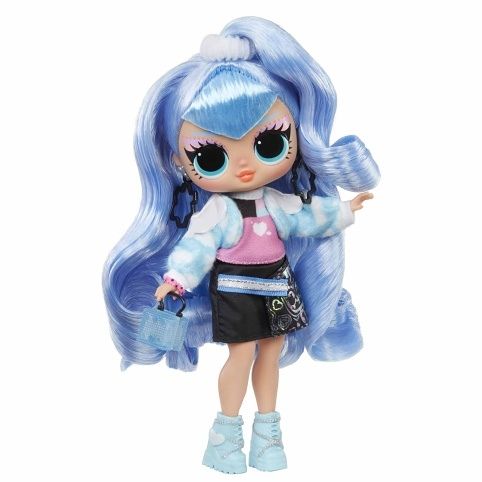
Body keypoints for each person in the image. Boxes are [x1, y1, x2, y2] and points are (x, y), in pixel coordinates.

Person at [103, 16, 380, 474]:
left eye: (268, 143)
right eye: (211, 156)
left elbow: (308, 216)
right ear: (178, 161)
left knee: (270, 352)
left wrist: (347, 209)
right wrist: (175, 280)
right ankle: (225, 434)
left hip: (278, 285)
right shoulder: (217, 212)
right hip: (236, 289)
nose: (246, 167)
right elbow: (196, 248)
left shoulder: (276, 201)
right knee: (242, 354)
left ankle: (268, 431)